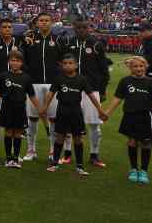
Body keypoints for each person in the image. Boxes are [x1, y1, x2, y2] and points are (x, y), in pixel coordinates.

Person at [40, 54, 107, 177]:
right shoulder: (59, 78)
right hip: (62, 110)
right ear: (62, 65)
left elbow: (91, 95)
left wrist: (99, 110)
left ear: (76, 65)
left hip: (76, 111)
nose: (67, 65)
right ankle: (54, 163)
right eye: (65, 63)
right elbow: (50, 94)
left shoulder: (82, 79)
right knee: (60, 136)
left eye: (70, 63)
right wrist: (44, 107)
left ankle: (80, 166)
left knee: (78, 138)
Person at [60, 18, 111, 168]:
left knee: (94, 124)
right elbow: (62, 65)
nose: (81, 30)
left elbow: (104, 70)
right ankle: (68, 154)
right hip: (71, 89)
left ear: (89, 28)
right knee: (69, 124)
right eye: (78, 28)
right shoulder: (68, 43)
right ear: (74, 28)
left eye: (84, 28)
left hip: (92, 90)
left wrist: (102, 91)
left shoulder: (96, 45)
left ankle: (94, 155)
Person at [103, 56, 152, 184]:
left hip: (147, 117)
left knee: (146, 143)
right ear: (130, 68)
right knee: (132, 142)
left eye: (141, 66)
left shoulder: (151, 82)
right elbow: (117, 99)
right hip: (130, 115)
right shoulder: (125, 81)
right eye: (135, 66)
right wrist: (107, 112)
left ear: (145, 66)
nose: (138, 68)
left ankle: (144, 171)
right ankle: (134, 169)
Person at [20, 12, 65, 162]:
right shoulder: (30, 39)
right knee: (32, 118)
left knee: (53, 118)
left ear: (51, 23)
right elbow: (22, 59)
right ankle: (31, 150)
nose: (44, 23)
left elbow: (64, 62)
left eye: (47, 20)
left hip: (53, 85)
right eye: (41, 20)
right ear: (37, 23)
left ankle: (53, 151)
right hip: (33, 83)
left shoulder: (58, 40)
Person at [0, 49, 39, 168]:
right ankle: (8, 158)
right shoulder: (4, 76)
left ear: (22, 63)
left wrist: (40, 108)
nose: (15, 63)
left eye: (18, 61)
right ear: (9, 62)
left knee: (18, 133)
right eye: (12, 60)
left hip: (20, 108)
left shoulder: (26, 78)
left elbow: (31, 95)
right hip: (7, 108)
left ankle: (16, 158)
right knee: (9, 131)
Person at [0, 18, 20, 160]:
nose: (7, 29)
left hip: (16, 91)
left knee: (14, 123)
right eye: (4, 27)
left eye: (9, 27)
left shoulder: (19, 44)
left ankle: (15, 152)